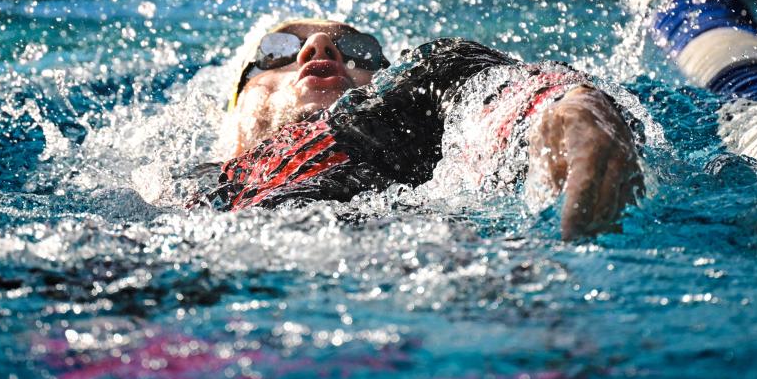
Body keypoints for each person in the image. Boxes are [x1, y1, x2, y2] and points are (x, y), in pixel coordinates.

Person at [179, 17, 644, 240]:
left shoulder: (397, 106)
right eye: (277, 50)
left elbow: (482, 88)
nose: (320, 47)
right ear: (233, 115)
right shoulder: (186, 188)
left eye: (357, 48)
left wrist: (574, 110)